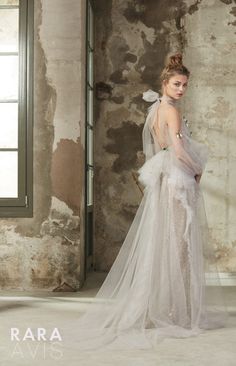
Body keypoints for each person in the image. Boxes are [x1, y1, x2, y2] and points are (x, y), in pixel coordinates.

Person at [71, 53, 229, 351]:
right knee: (180, 247)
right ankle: (175, 312)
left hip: (166, 180)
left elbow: (161, 149)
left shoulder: (156, 109)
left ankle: (168, 308)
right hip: (178, 182)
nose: (181, 89)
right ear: (165, 83)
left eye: (185, 85)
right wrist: (197, 170)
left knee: (168, 243)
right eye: (177, 84)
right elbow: (179, 150)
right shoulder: (170, 111)